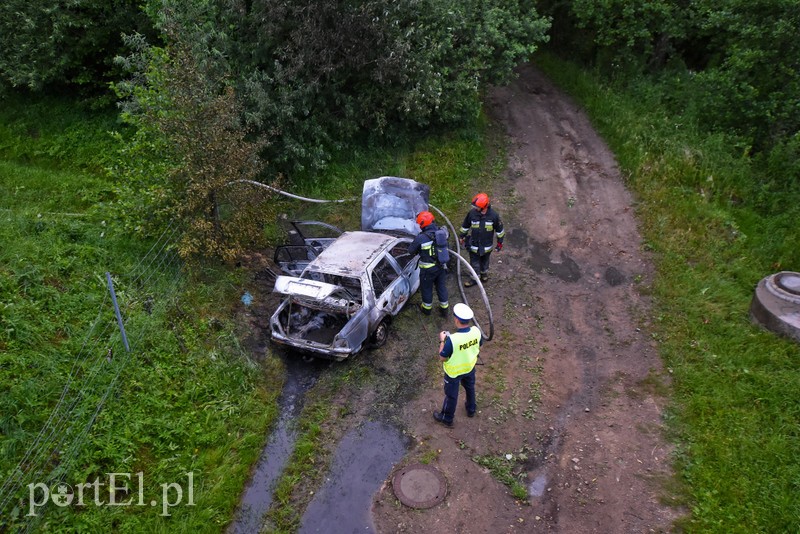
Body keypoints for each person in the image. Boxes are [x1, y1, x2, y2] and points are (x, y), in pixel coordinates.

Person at [434, 303, 483, 427]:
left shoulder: (452, 340)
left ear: (456, 319)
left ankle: (447, 418)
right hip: (469, 368)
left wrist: (442, 341)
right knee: (470, 388)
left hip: (453, 373)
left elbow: (442, 357)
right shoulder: (476, 331)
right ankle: (471, 410)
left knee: (451, 396)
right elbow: (479, 344)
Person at [408, 211, 449, 317]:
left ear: (422, 224)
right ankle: (444, 309)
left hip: (428, 270)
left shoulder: (421, 238)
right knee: (441, 287)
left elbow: (411, 250)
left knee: (426, 289)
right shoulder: (441, 233)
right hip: (441, 267)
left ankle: (426, 309)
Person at [459, 192, 505, 287]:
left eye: (477, 207)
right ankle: (474, 279)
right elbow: (465, 226)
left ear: (484, 206)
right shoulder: (472, 214)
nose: (475, 208)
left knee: (485, 261)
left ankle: (484, 274)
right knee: (474, 263)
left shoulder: (494, 216)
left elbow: (500, 231)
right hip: (474, 245)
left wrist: (499, 243)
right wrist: (462, 236)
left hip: (486, 246)